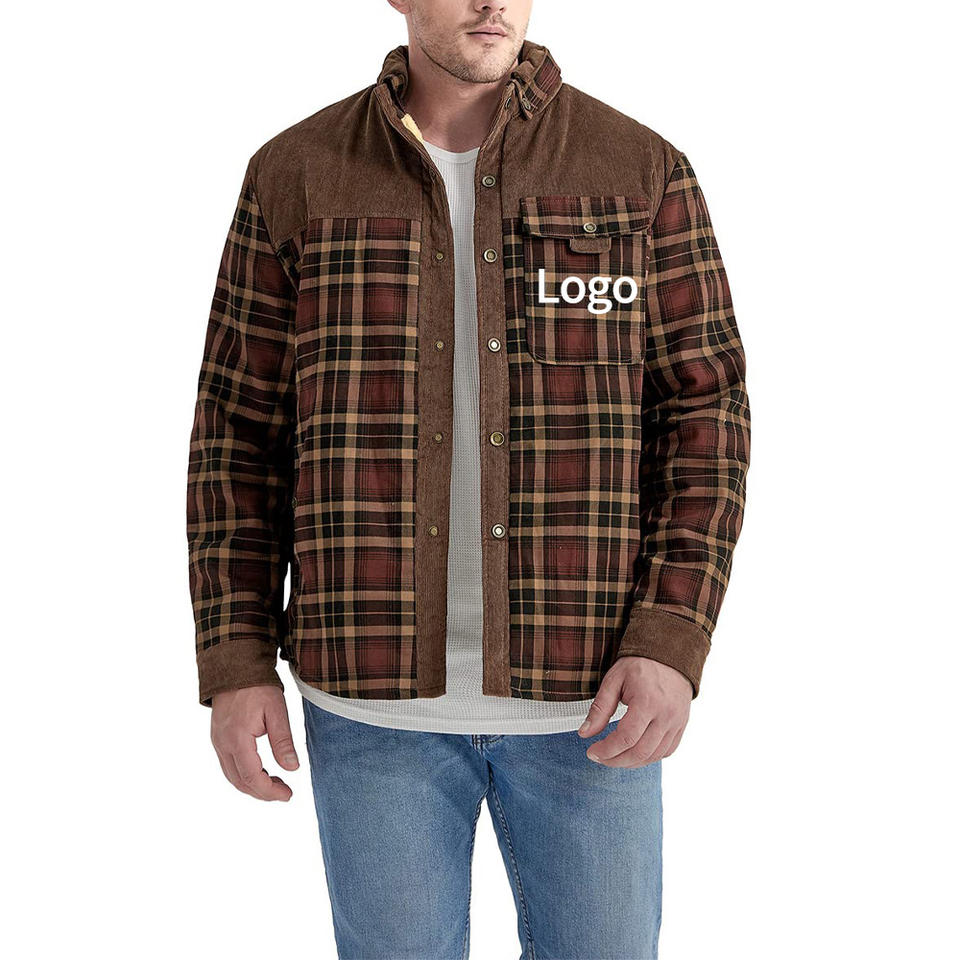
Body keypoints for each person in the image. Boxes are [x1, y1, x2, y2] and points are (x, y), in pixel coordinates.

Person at [186, 1, 751, 956]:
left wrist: (671, 634)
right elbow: (237, 435)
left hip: (590, 699)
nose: (492, 1)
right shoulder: (297, 173)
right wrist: (236, 659)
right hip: (367, 704)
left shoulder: (639, 171)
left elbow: (706, 421)